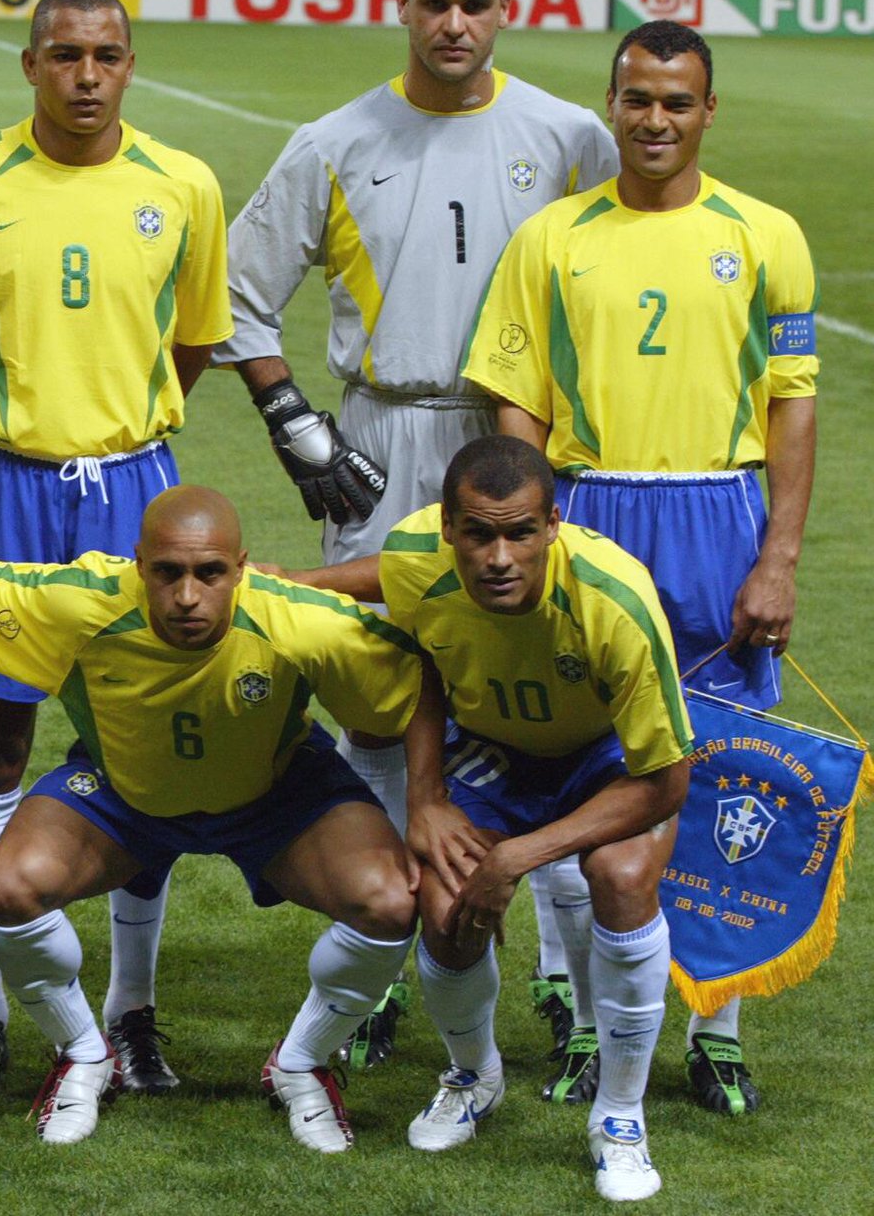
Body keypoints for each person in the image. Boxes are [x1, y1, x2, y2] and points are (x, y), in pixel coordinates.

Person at [218, 0, 618, 1072]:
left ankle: (557, 978)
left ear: (509, 7)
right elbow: (238, 292)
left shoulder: (567, 136)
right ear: (400, 5)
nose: (453, 24)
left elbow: (616, 264)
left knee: (542, 695)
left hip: (515, 437)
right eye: (433, 3)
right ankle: (394, 940)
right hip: (382, 431)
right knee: (381, 696)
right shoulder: (335, 141)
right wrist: (290, 419)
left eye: (473, 5)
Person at [463, 20, 817, 1117]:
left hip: (716, 513)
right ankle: (574, 1012)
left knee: (714, 774)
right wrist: (534, 530)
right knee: (580, 768)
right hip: (586, 508)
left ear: (707, 111)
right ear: (608, 104)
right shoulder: (552, 237)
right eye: (634, 99)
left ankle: (717, 1025)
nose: (652, 119)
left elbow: (790, 404)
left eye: (675, 102)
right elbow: (510, 401)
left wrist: (778, 557)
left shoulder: (764, 236)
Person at [0, 486, 424, 1148]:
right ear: (138, 565)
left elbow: (423, 685)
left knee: (390, 901)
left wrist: (436, 806)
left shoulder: (301, 618)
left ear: (240, 568)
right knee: (10, 887)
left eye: (210, 574)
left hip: (274, 795)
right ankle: (84, 1054)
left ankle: (299, 1064)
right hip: (124, 795)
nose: (188, 596)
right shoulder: (89, 600)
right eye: (168, 573)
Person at [0, 0, 229, 1093]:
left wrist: (115, 431)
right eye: (64, 55)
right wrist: (8, 439)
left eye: (106, 55)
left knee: (144, 754)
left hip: (135, 490)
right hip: (6, 489)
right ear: (28, 65)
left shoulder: (182, 185)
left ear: (129, 66)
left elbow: (188, 343)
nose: (86, 74)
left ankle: (131, 1010)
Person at [289, 437, 693, 1202]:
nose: (498, 556)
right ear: (448, 528)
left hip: (607, 761)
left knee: (623, 873)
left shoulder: (616, 602)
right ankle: (475, 1076)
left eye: (520, 533)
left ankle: (619, 1116)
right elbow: (423, 653)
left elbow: (666, 783)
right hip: (496, 751)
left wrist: (518, 858)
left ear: (554, 526)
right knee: (441, 909)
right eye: (477, 533)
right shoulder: (417, 558)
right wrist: (428, 796)